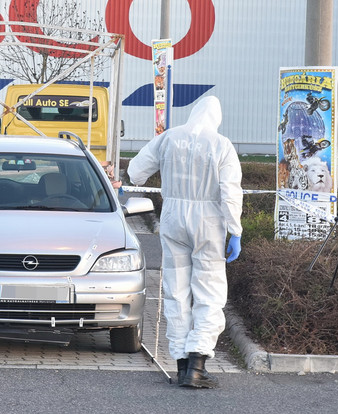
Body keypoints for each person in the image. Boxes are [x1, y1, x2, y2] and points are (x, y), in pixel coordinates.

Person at [127, 96, 243, 388]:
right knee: (209, 291)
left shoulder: (170, 137)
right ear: (216, 118)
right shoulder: (221, 145)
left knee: (176, 291)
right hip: (208, 222)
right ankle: (197, 364)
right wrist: (235, 230)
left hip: (173, 218)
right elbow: (230, 191)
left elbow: (135, 172)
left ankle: (180, 364)